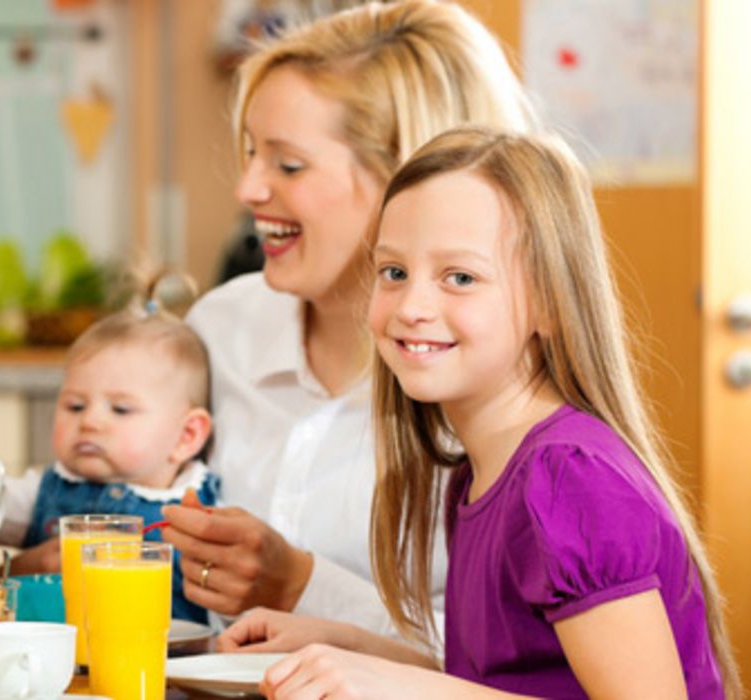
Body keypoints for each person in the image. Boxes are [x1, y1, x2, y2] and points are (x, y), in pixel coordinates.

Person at [253, 127, 739, 698]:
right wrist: (354, 652)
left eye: (460, 277)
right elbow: (514, 684)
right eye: (394, 272)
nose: (412, 306)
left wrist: (407, 688)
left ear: (550, 305)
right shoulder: (483, 471)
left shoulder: (567, 480)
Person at [166, 0, 538, 637]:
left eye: (288, 164)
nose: (249, 188)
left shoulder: (493, 383)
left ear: (410, 174)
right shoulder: (221, 328)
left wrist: (305, 589)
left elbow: (522, 655)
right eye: (251, 153)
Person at [0, 279, 218, 623]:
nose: (90, 422)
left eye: (120, 410)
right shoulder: (43, 489)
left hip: (168, 668)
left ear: (186, 436)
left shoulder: (207, 513)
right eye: (74, 406)